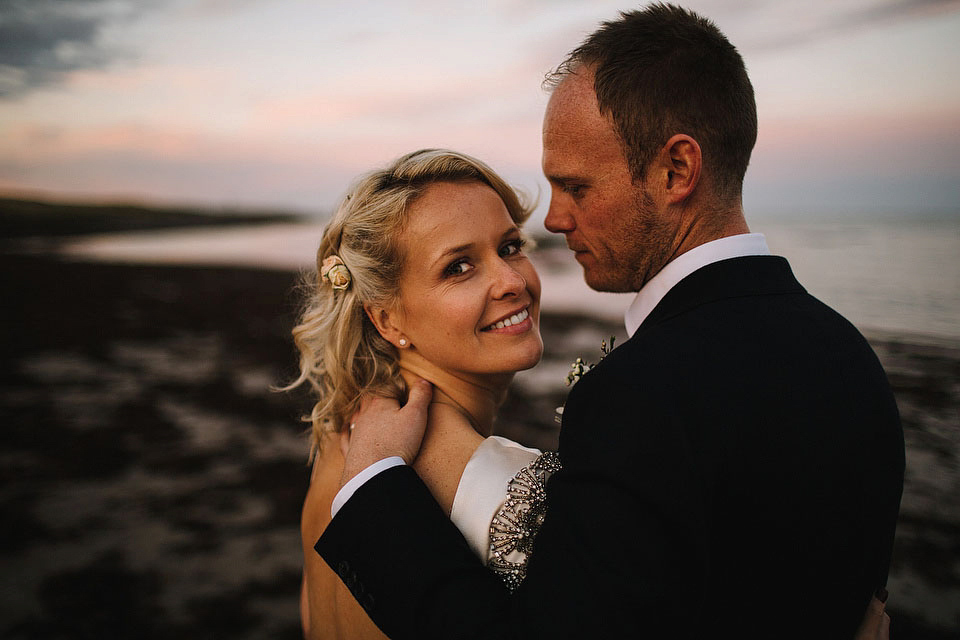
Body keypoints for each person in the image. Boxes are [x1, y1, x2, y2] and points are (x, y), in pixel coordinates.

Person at [315, 4, 905, 639]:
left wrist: (374, 491)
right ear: (385, 316)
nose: (556, 220)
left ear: (676, 171)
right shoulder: (852, 359)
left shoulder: (641, 396)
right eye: (460, 266)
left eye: (576, 187)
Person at [291, 148, 561, 638]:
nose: (512, 280)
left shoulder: (342, 439)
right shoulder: (503, 488)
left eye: (509, 247)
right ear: (386, 318)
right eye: (458, 267)